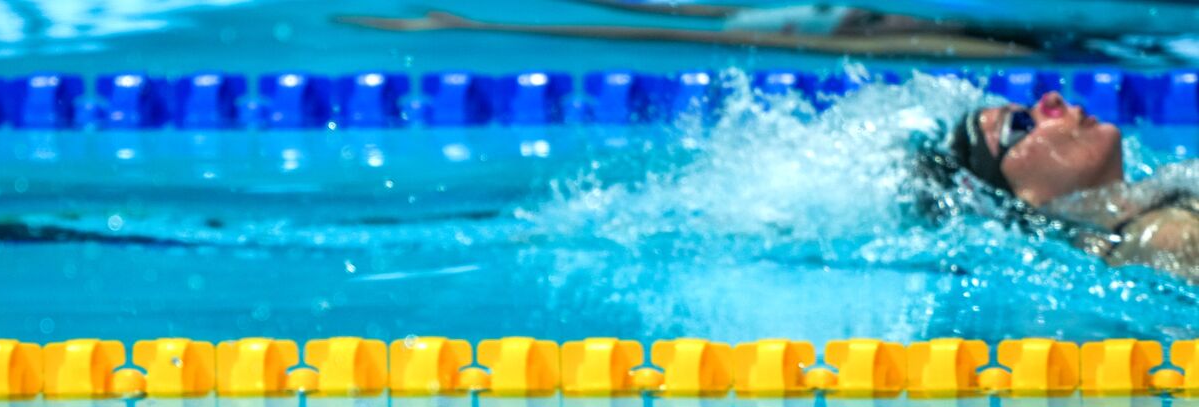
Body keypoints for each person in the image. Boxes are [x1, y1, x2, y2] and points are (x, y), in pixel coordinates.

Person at [920, 91, 1199, 278]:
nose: (1052, 99)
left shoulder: (1156, 207)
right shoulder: (1164, 238)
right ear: (1023, 198)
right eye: (1019, 124)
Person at [333, 7, 1032, 59]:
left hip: (832, 12)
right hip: (833, 21)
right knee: (702, 32)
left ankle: (472, 19)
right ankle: (470, 19)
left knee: (692, 22)